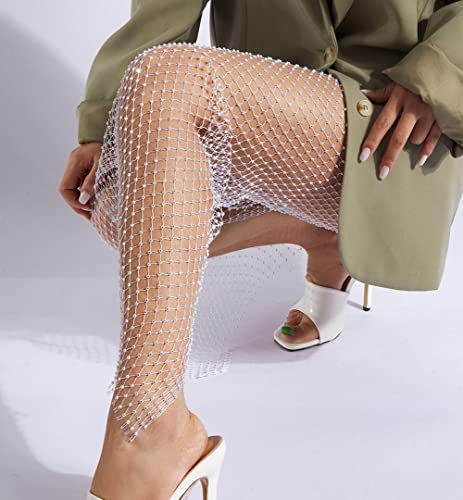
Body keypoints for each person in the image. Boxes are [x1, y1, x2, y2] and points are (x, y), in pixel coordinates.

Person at [58, 1, 463, 498]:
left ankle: (150, 429)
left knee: (169, 79)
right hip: (263, 112)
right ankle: (325, 235)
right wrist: (102, 125)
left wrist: (440, 75)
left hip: (397, 122)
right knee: (113, 199)